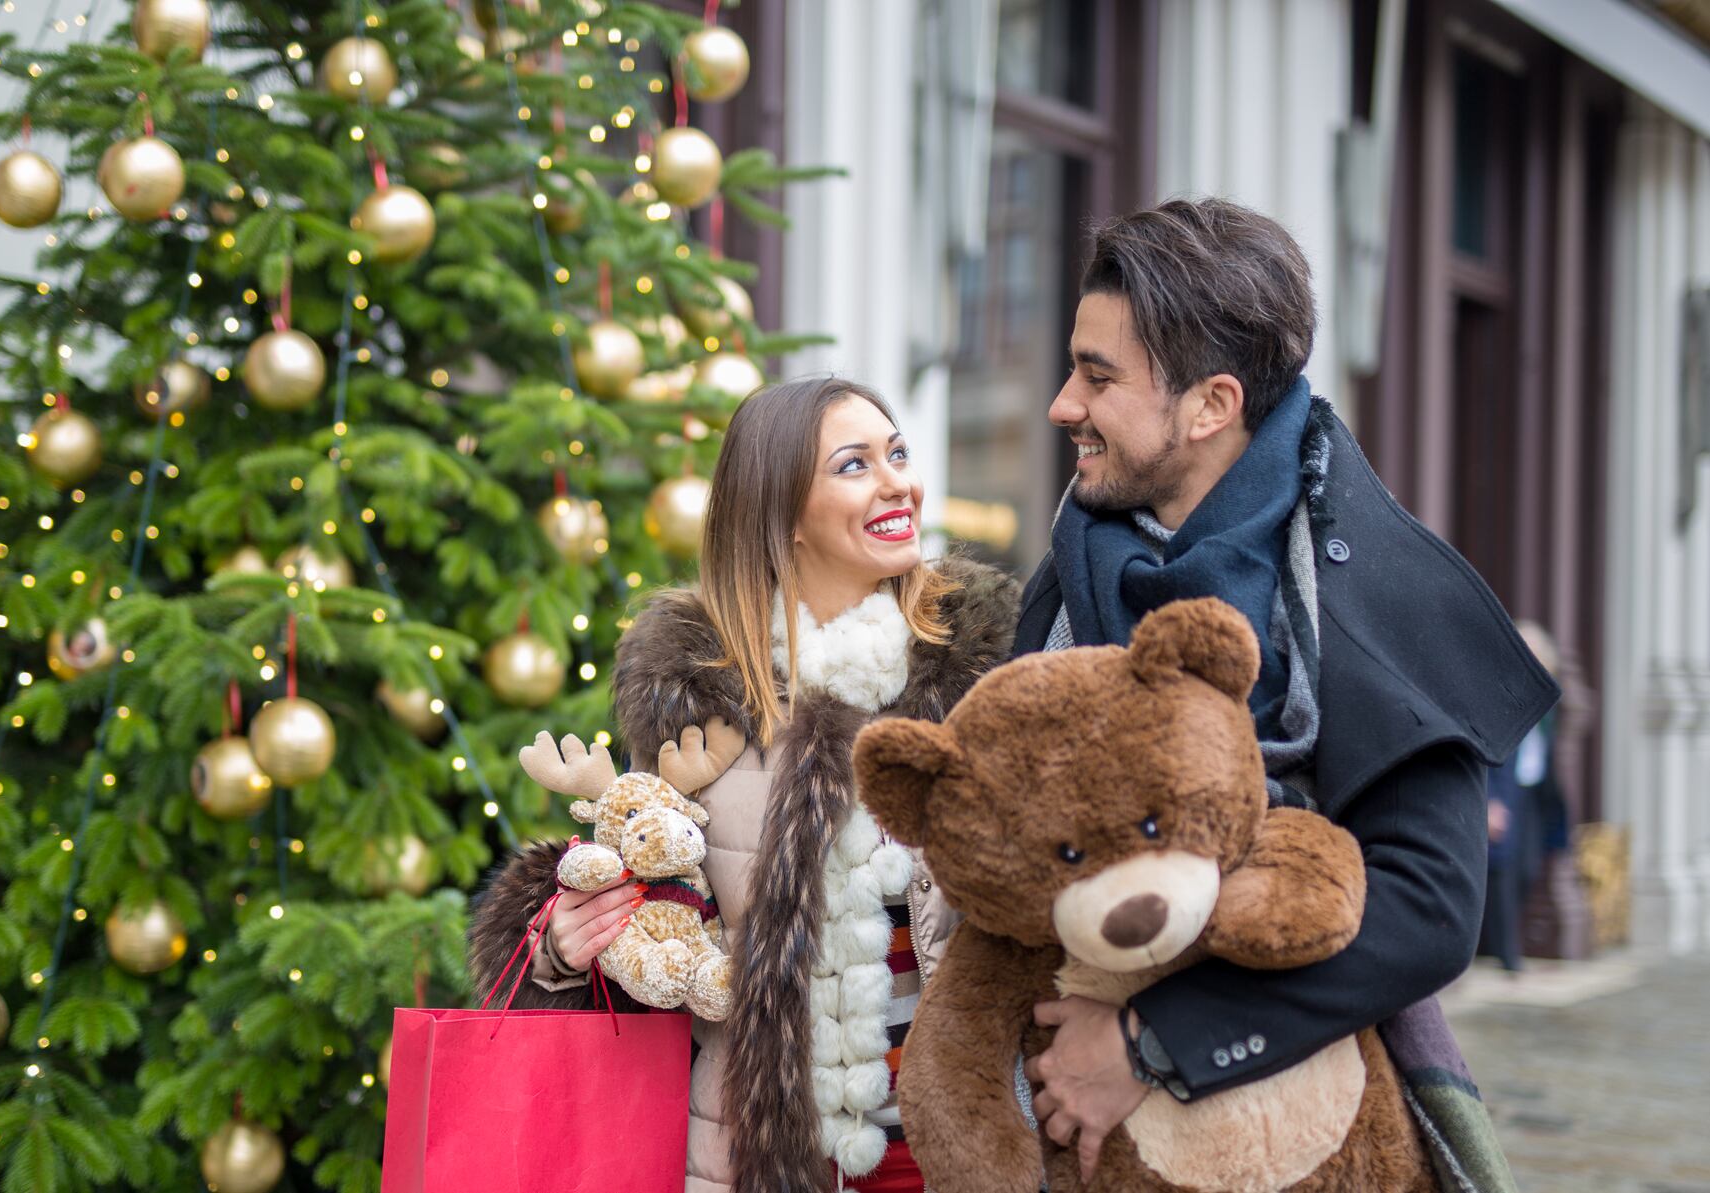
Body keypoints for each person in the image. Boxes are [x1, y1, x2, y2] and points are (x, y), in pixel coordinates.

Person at [1010, 198, 1559, 1189]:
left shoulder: (1376, 591)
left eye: (1098, 376)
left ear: (1211, 405)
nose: (1062, 404)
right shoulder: (1074, 565)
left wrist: (1149, 1039)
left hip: (1302, 1136)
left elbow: (1428, 907)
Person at [468, 378, 1021, 1193]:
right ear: (781, 509)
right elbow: (664, 924)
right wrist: (565, 943)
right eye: (854, 464)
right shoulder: (698, 700)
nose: (896, 482)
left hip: (952, 1149)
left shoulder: (984, 674)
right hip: (753, 1155)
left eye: (897, 454)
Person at [1479, 620, 1568, 973]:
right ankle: (1505, 954)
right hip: (1504, 791)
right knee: (1501, 867)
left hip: (1532, 793)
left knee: (1529, 866)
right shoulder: (1498, 693)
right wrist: (1489, 800)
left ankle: (1500, 948)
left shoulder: (1547, 700)